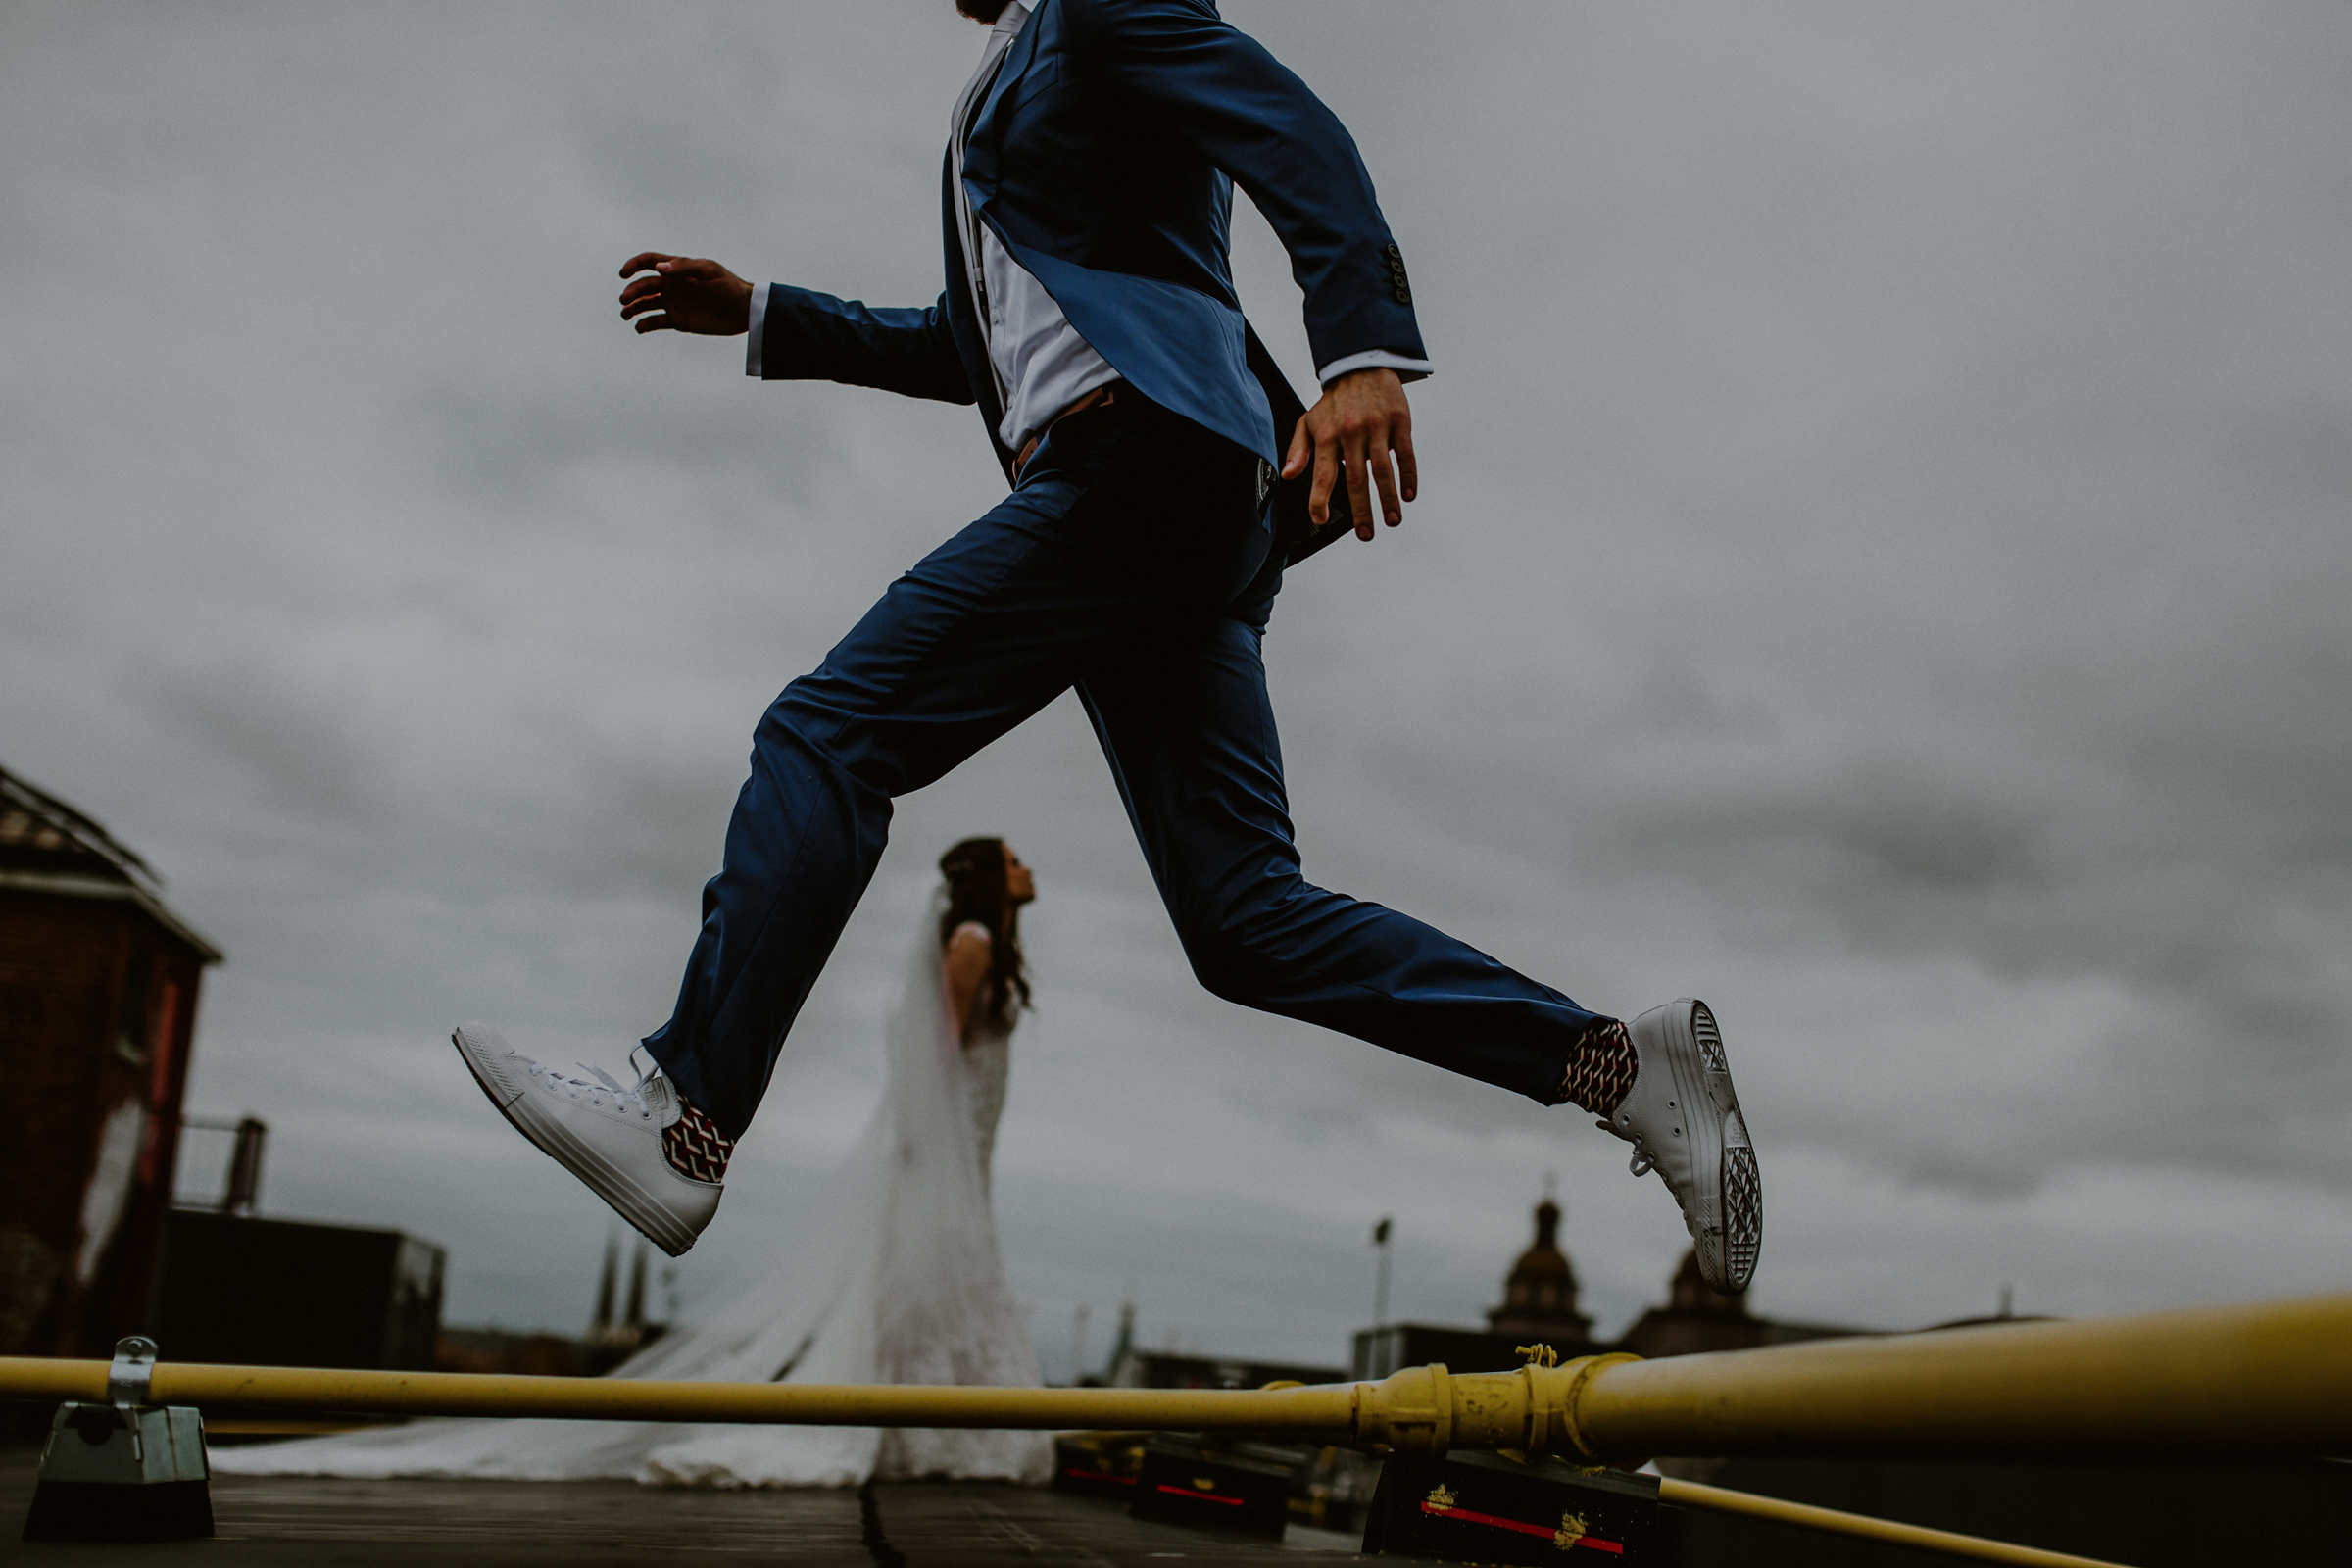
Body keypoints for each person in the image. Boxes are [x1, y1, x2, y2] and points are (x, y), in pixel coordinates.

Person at [455, 0, 1761, 1296]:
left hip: (1139, 464)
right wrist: (764, 316)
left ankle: (687, 1116)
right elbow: (973, 347)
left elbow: (1287, 124)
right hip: (1169, 511)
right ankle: (1622, 1067)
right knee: (1245, 922)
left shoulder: (1097, 7)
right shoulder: (1003, 99)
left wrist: (1361, 349)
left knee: (828, 732)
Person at [219, 842, 1050, 1486]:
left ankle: (939, 1426)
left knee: (953, 1275)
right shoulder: (970, 942)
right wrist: (926, 1146)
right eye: (1016, 858)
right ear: (985, 877)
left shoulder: (989, 944)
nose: (1030, 869)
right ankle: (929, 1427)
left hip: (970, 1145)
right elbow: (935, 1055)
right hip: (946, 1143)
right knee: (932, 1272)